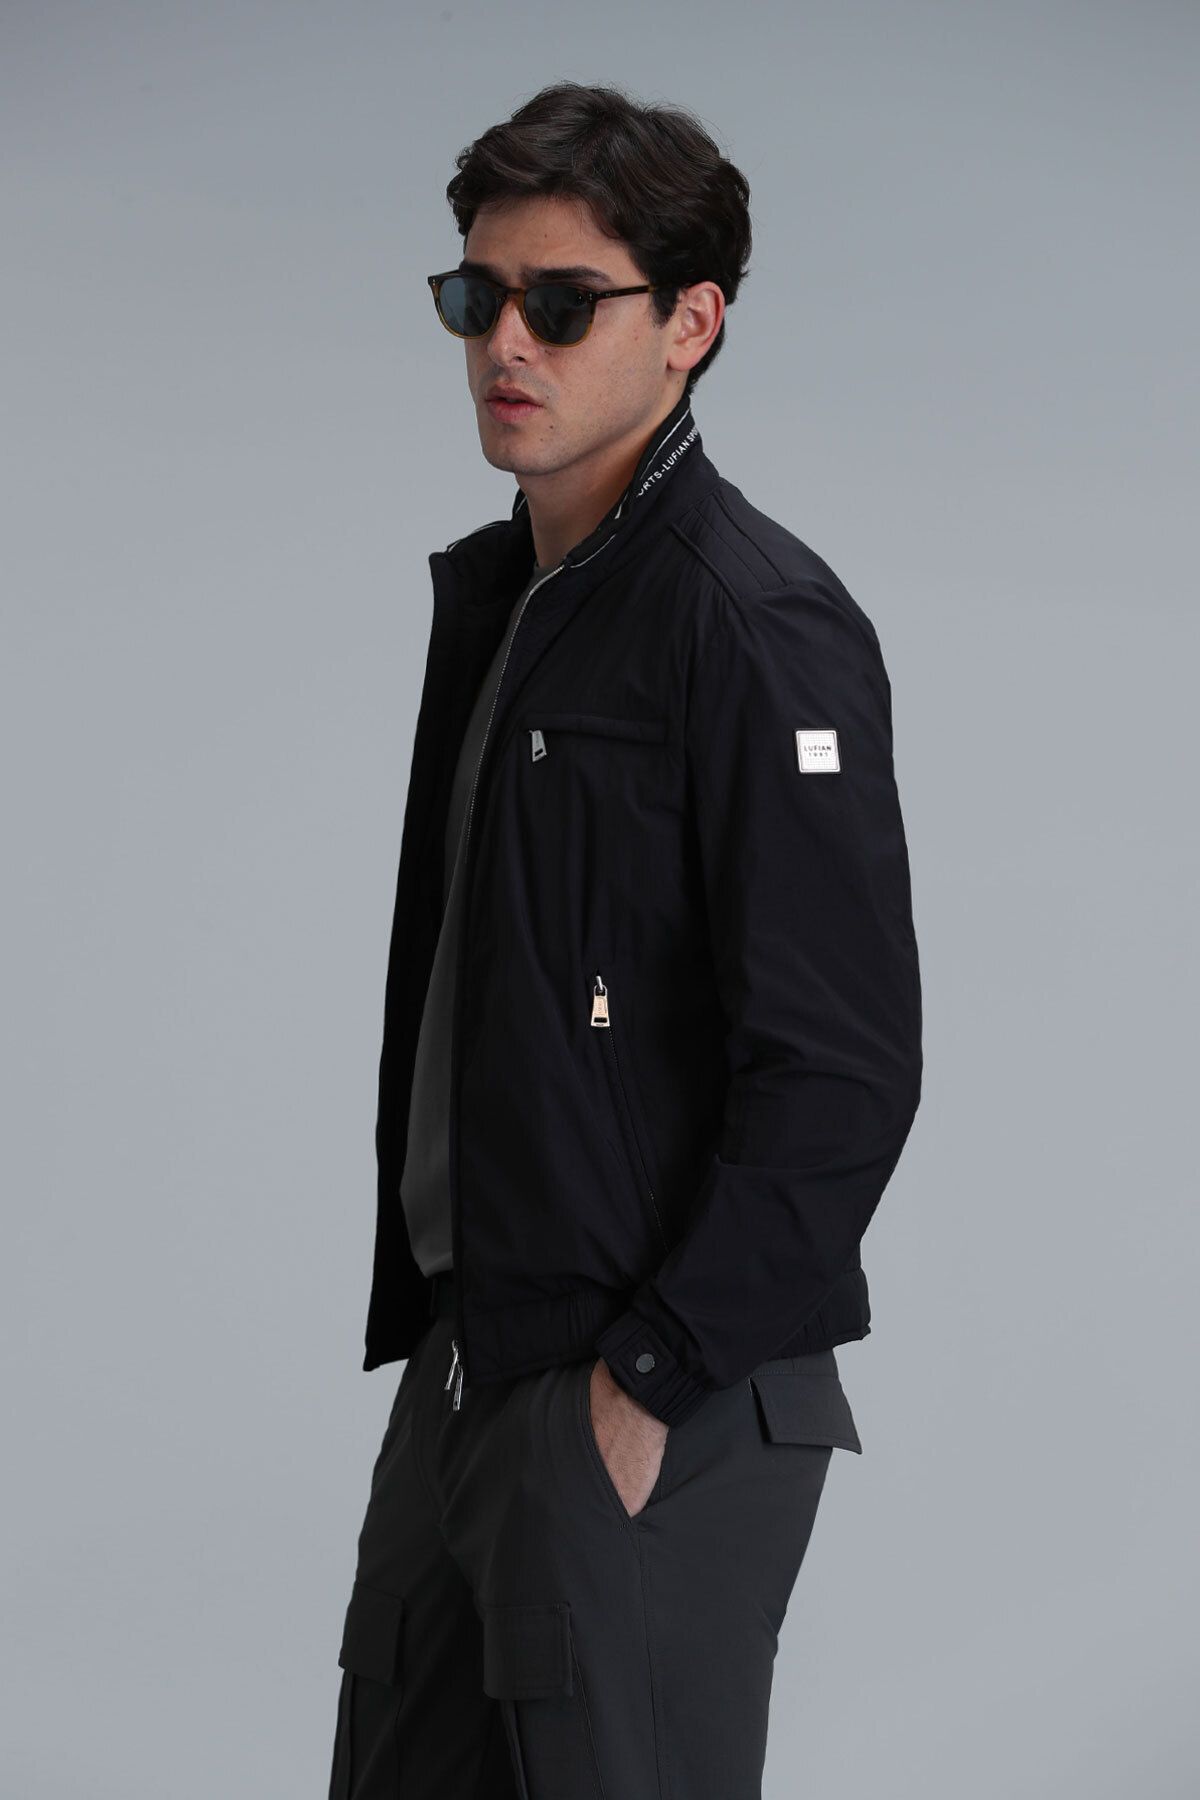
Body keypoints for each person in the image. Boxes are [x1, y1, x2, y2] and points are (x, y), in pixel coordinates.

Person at [328, 80, 923, 1800]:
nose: (504, 341)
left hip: (653, 1378)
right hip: (473, 1353)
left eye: (562, 301)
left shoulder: (756, 624)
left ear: (690, 323)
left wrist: (647, 1378)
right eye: (477, 295)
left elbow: (843, 1072)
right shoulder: (510, 604)